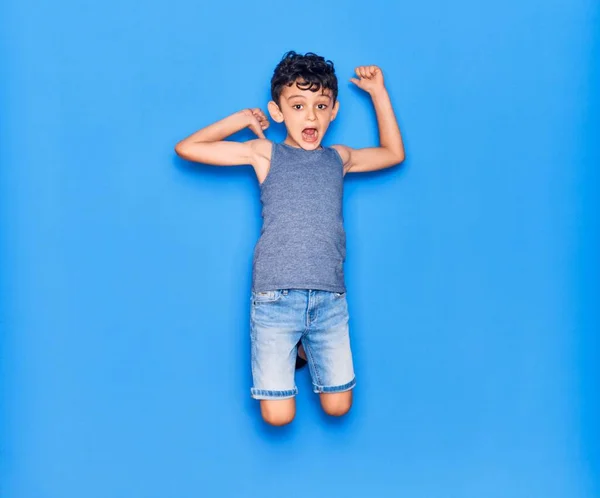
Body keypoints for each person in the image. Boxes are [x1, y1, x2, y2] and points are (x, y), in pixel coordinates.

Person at [175, 51, 405, 426]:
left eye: (320, 106)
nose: (310, 116)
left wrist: (378, 92)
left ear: (334, 111)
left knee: (338, 407)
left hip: (329, 298)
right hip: (275, 297)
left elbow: (393, 153)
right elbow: (187, 148)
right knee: (278, 417)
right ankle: (298, 346)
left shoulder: (338, 158)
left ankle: (301, 349)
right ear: (278, 111)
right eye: (298, 105)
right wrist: (240, 119)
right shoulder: (266, 153)